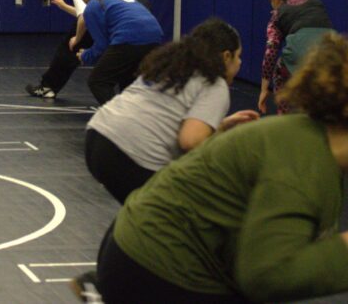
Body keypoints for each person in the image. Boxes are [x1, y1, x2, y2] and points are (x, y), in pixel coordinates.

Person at [97, 33, 348, 302]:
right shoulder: (303, 161)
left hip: (141, 251)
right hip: (150, 268)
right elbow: (265, 276)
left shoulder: (314, 147)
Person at [85, 18, 258, 203]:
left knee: (141, 217)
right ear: (226, 57)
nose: (239, 63)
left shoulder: (170, 66)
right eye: (238, 56)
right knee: (174, 217)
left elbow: (172, 117)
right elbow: (191, 141)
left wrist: (221, 126)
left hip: (97, 137)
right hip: (133, 154)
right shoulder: (215, 84)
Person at [26, 0, 147, 99]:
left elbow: (84, 19)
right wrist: (64, 7)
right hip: (142, 11)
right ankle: (128, 99)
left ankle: (48, 86)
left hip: (126, 13)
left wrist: (76, 39)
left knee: (71, 46)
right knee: (125, 56)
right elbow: (89, 13)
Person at [76, 0, 162, 104]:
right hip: (155, 36)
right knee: (128, 81)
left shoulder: (93, 5)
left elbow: (102, 46)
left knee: (98, 81)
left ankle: (115, 118)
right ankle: (134, 117)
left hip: (130, 38)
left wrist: (85, 56)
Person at [257, 0, 334, 114]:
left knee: (280, 71)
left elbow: (271, 51)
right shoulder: (316, 2)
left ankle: (284, 116)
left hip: (301, 52)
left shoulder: (277, 15)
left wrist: (264, 90)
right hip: (333, 51)